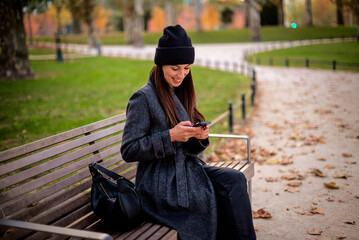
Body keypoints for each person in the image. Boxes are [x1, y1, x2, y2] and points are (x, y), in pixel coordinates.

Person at [120, 24, 256, 240]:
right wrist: (170, 137)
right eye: (175, 68)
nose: (181, 74)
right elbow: (129, 149)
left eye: (186, 68)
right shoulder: (142, 98)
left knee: (235, 180)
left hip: (186, 172)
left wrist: (198, 137)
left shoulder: (181, 91)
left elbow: (188, 146)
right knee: (214, 194)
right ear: (161, 63)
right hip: (158, 184)